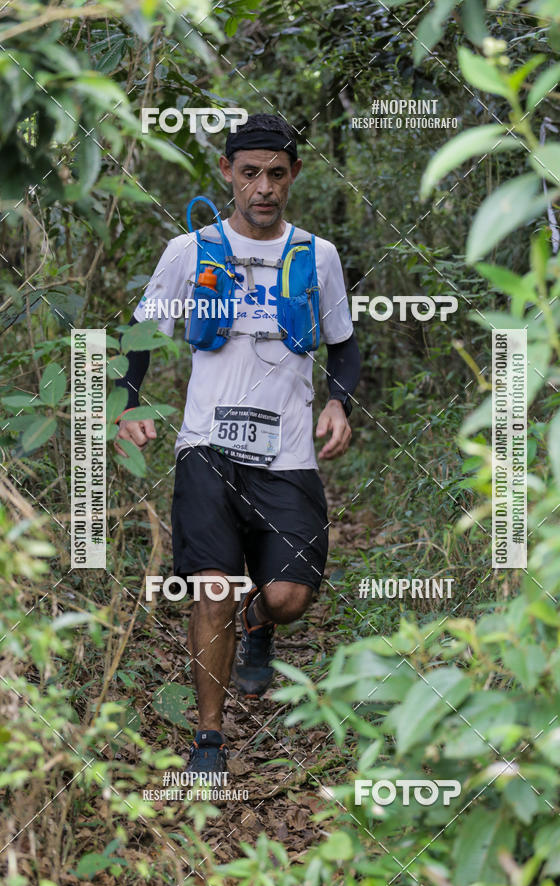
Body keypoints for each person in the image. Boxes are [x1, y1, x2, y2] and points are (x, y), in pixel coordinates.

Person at [115, 113, 360, 776]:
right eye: (249, 172)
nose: (263, 187)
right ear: (227, 173)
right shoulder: (189, 250)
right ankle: (209, 741)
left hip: (287, 455)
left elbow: (343, 344)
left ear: (294, 177)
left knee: (288, 598)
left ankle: (261, 622)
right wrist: (127, 403)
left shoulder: (319, 256)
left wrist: (338, 399)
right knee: (213, 588)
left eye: (276, 174)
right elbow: (140, 333)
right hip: (206, 447)